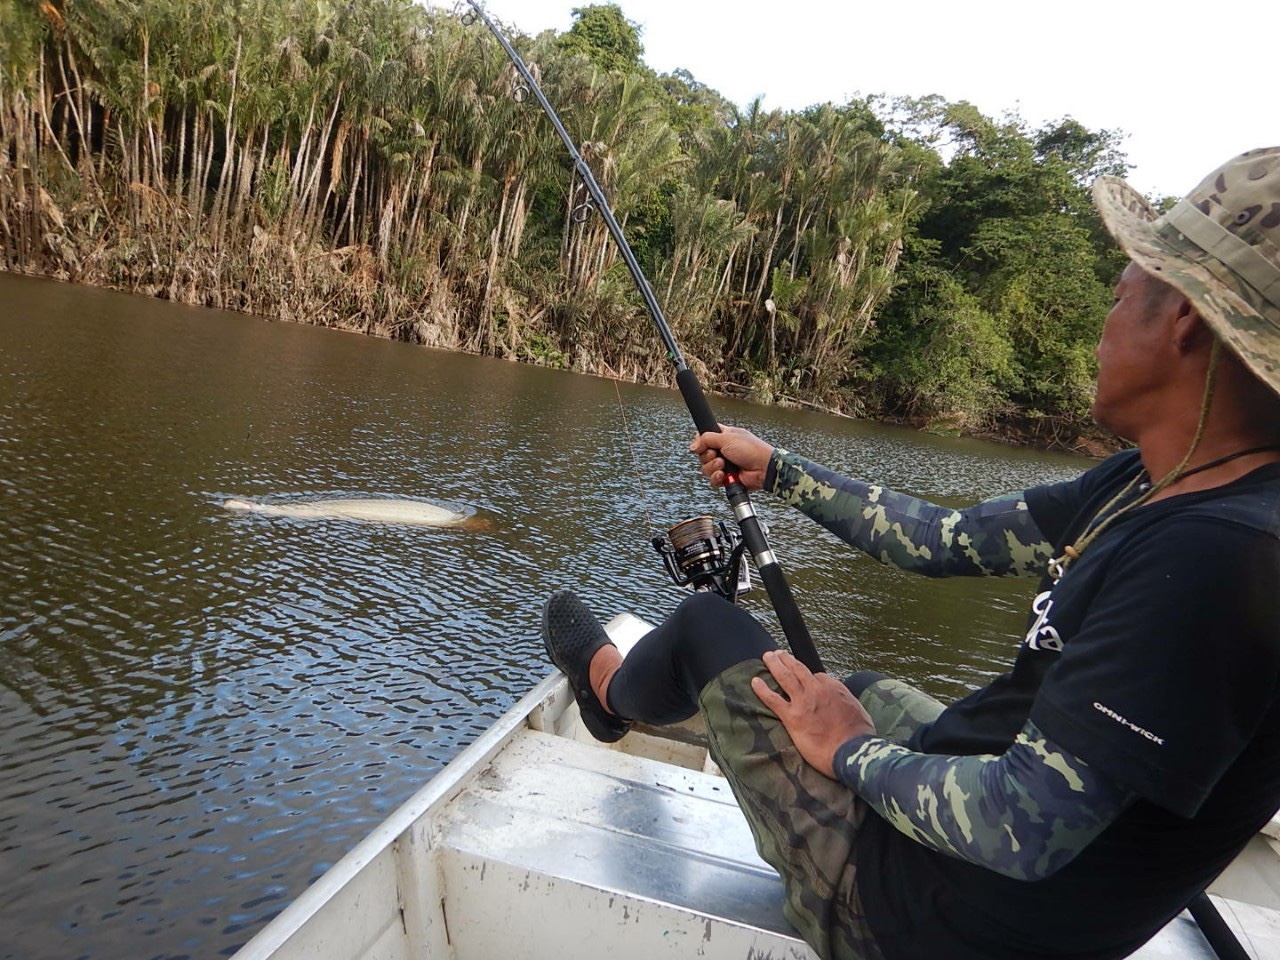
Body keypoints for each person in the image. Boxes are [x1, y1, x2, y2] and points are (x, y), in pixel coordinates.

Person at [542, 148, 1280, 960]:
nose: (1107, 320)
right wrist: (777, 469)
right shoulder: (1160, 480)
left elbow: (1019, 827)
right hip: (1023, 887)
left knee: (703, 629)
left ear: (1184, 318)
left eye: (1120, 294)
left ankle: (607, 695)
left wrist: (849, 750)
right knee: (857, 689)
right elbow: (942, 541)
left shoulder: (1218, 556)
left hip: (929, 921)